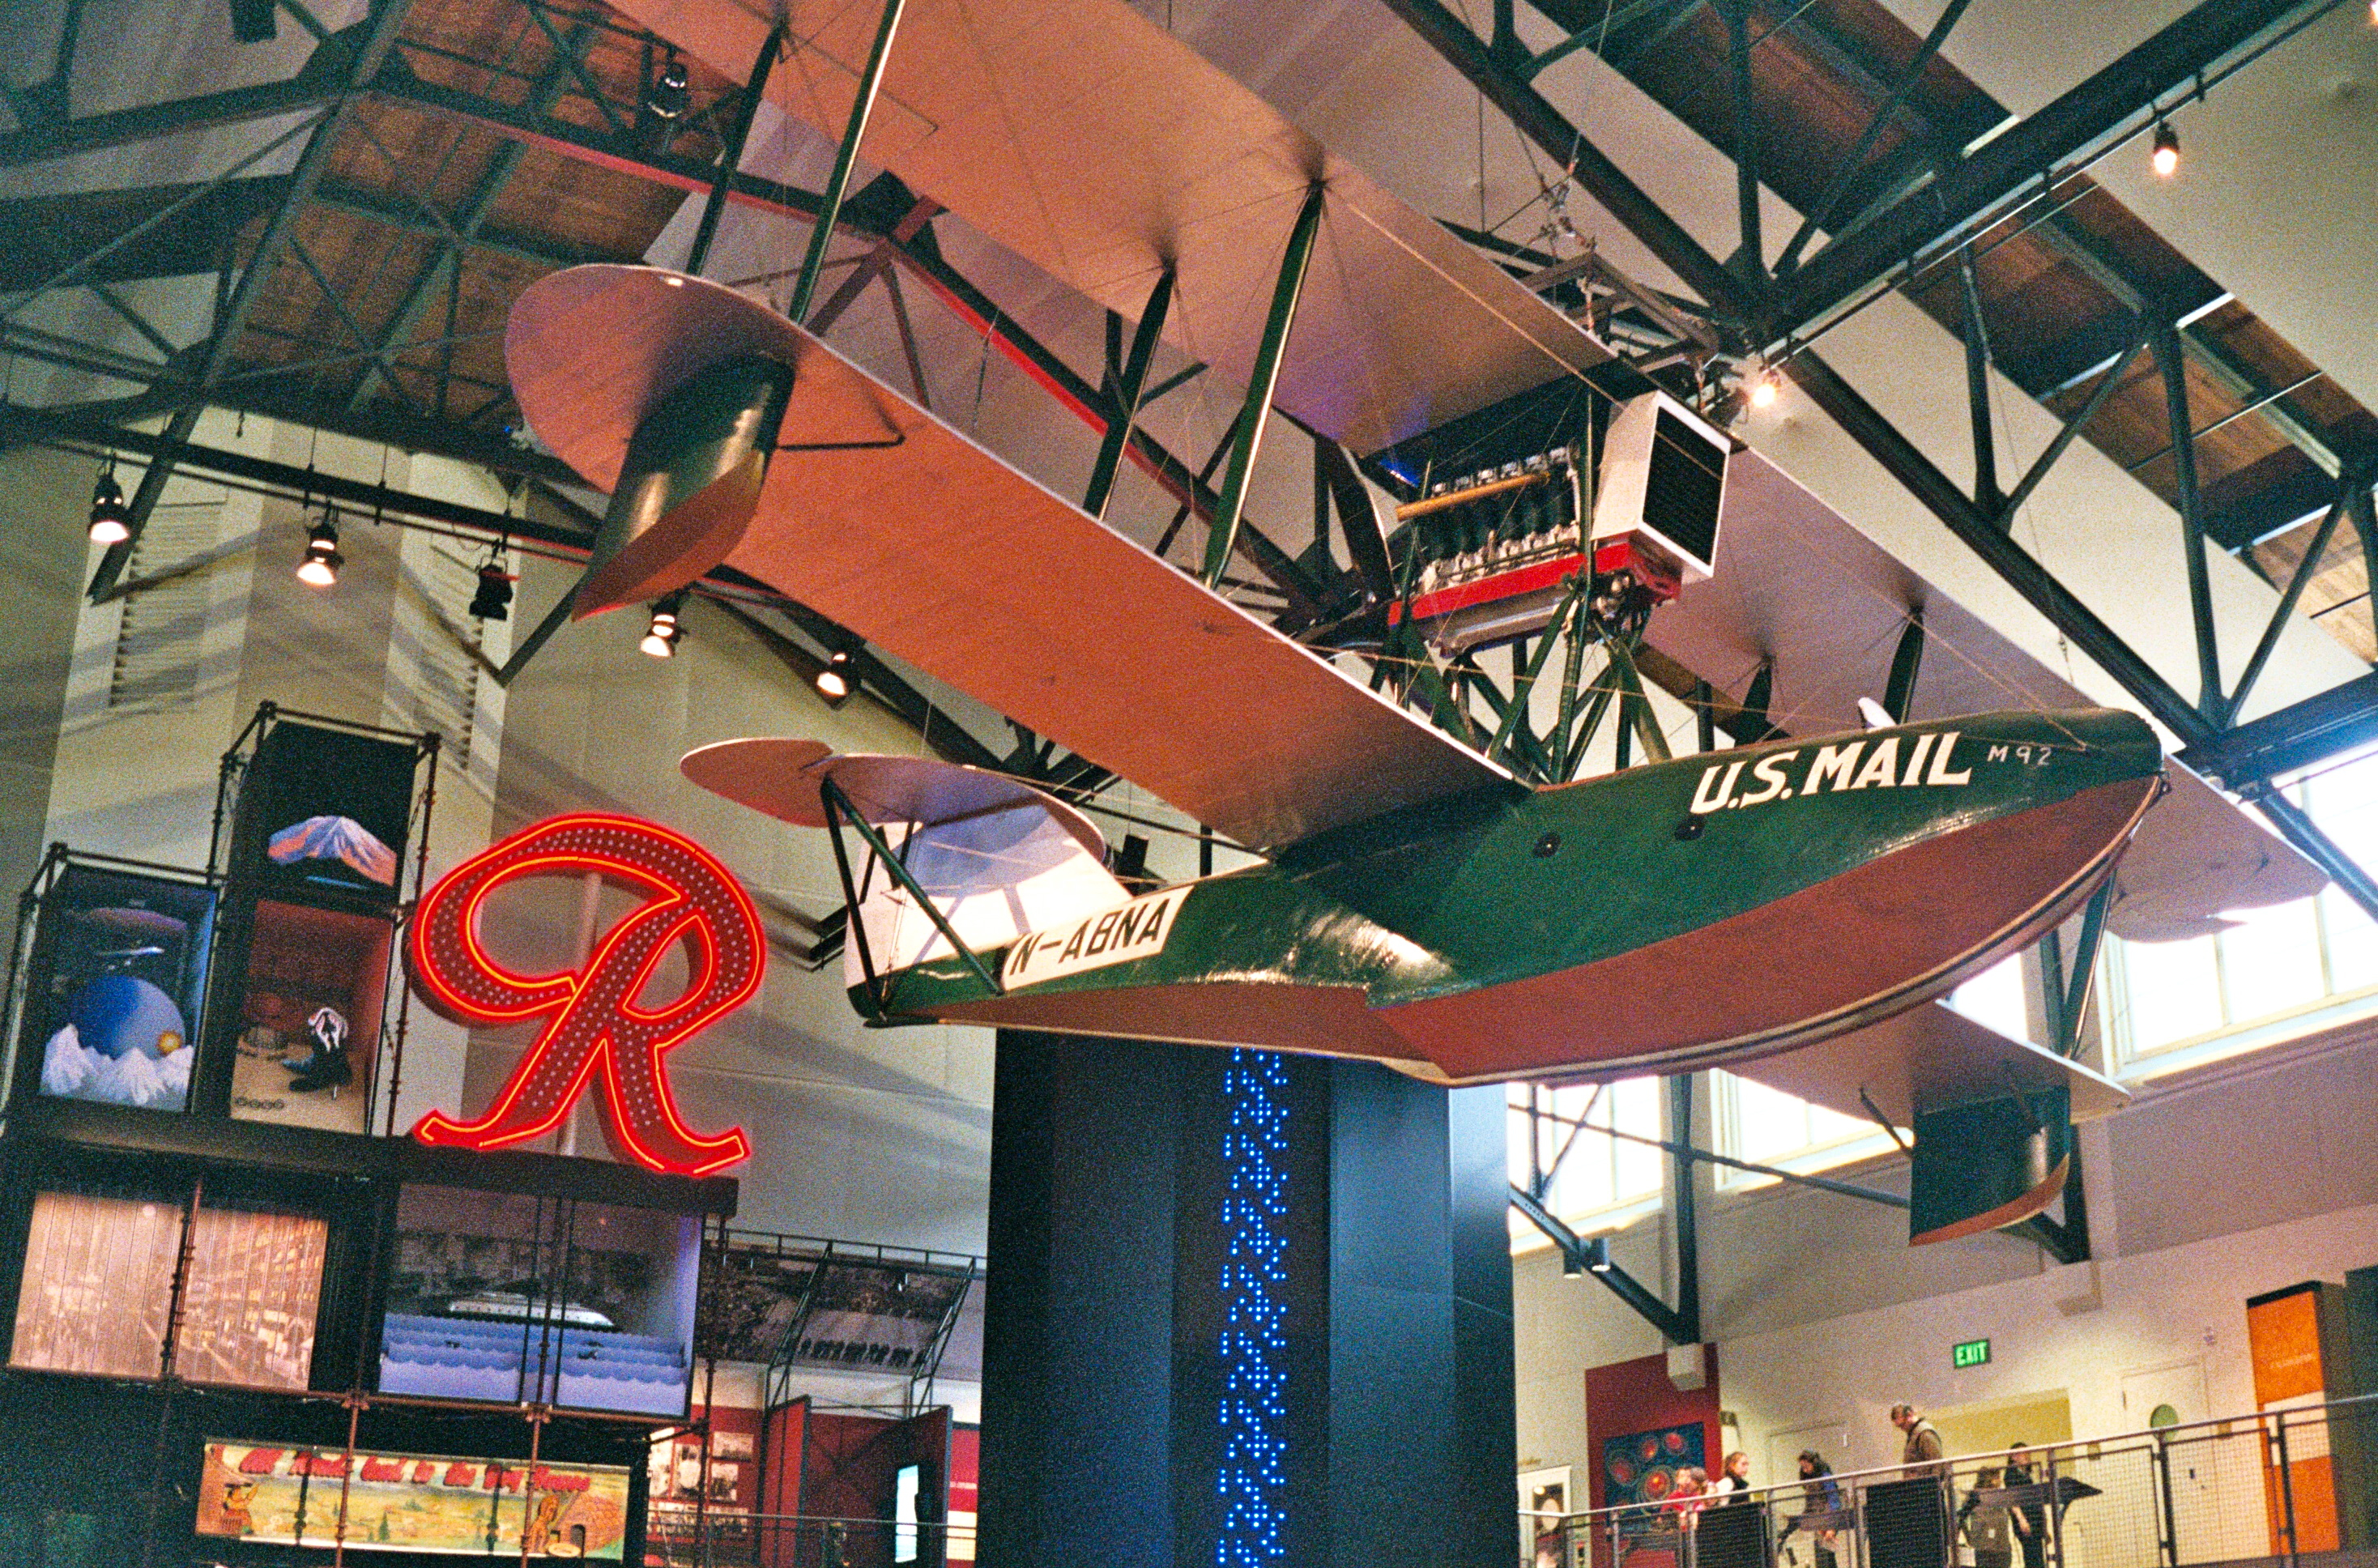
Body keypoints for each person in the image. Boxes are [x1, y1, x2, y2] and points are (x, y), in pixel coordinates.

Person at [1777, 1451, 1841, 1568]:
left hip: (1828, 1517)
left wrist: (1832, 1527)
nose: (1805, 1470)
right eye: (1803, 1467)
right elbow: (1810, 1505)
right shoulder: (1810, 1479)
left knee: (1827, 1554)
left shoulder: (1825, 1476)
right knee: (1825, 1554)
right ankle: (1781, 1537)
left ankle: (1782, 1536)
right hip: (1817, 1516)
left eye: (1806, 1467)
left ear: (1814, 1464)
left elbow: (1834, 1501)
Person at [2004, 1444, 2048, 1568]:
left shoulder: (2028, 1474)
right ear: (2014, 1457)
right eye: (2023, 1453)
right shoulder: (2011, 1475)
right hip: (2026, 1521)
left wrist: (2044, 1526)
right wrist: (2021, 1519)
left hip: (2035, 1521)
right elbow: (2012, 1499)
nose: (2027, 1456)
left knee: (2038, 1558)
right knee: (2032, 1559)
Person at [1959, 1468, 2014, 1568]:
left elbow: (1961, 1517)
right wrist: (1969, 1537)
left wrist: (1969, 1537)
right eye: (1997, 1478)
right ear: (1991, 1479)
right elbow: (1961, 1517)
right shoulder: (1976, 1497)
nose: (2000, 1481)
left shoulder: (2000, 1496)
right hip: (1988, 1548)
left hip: (1998, 1547)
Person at [1891, 1403, 1947, 1479]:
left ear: (1909, 1414)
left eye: (1902, 1425)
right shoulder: (1915, 1434)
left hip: (1926, 1486)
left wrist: (1933, 1486)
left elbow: (1937, 1464)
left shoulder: (1925, 1434)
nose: (1902, 1429)